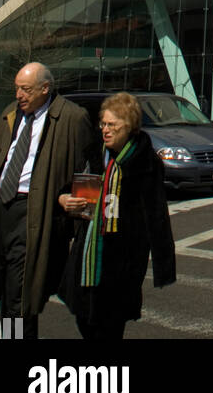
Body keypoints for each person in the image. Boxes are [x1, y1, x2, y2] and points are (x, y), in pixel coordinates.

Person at [0, 62, 94, 339]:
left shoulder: (72, 118)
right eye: (16, 88)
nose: (19, 95)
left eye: (26, 89)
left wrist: (71, 203)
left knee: (21, 295)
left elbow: (88, 171)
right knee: (4, 288)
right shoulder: (10, 114)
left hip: (35, 213)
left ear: (45, 88)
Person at [58, 92, 175, 339]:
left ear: (129, 127)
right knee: (84, 320)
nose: (106, 130)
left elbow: (157, 215)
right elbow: (68, 186)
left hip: (122, 259)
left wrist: (164, 264)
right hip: (88, 251)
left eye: (113, 125)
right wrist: (65, 199)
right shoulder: (94, 154)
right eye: (103, 123)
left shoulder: (145, 163)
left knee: (110, 327)